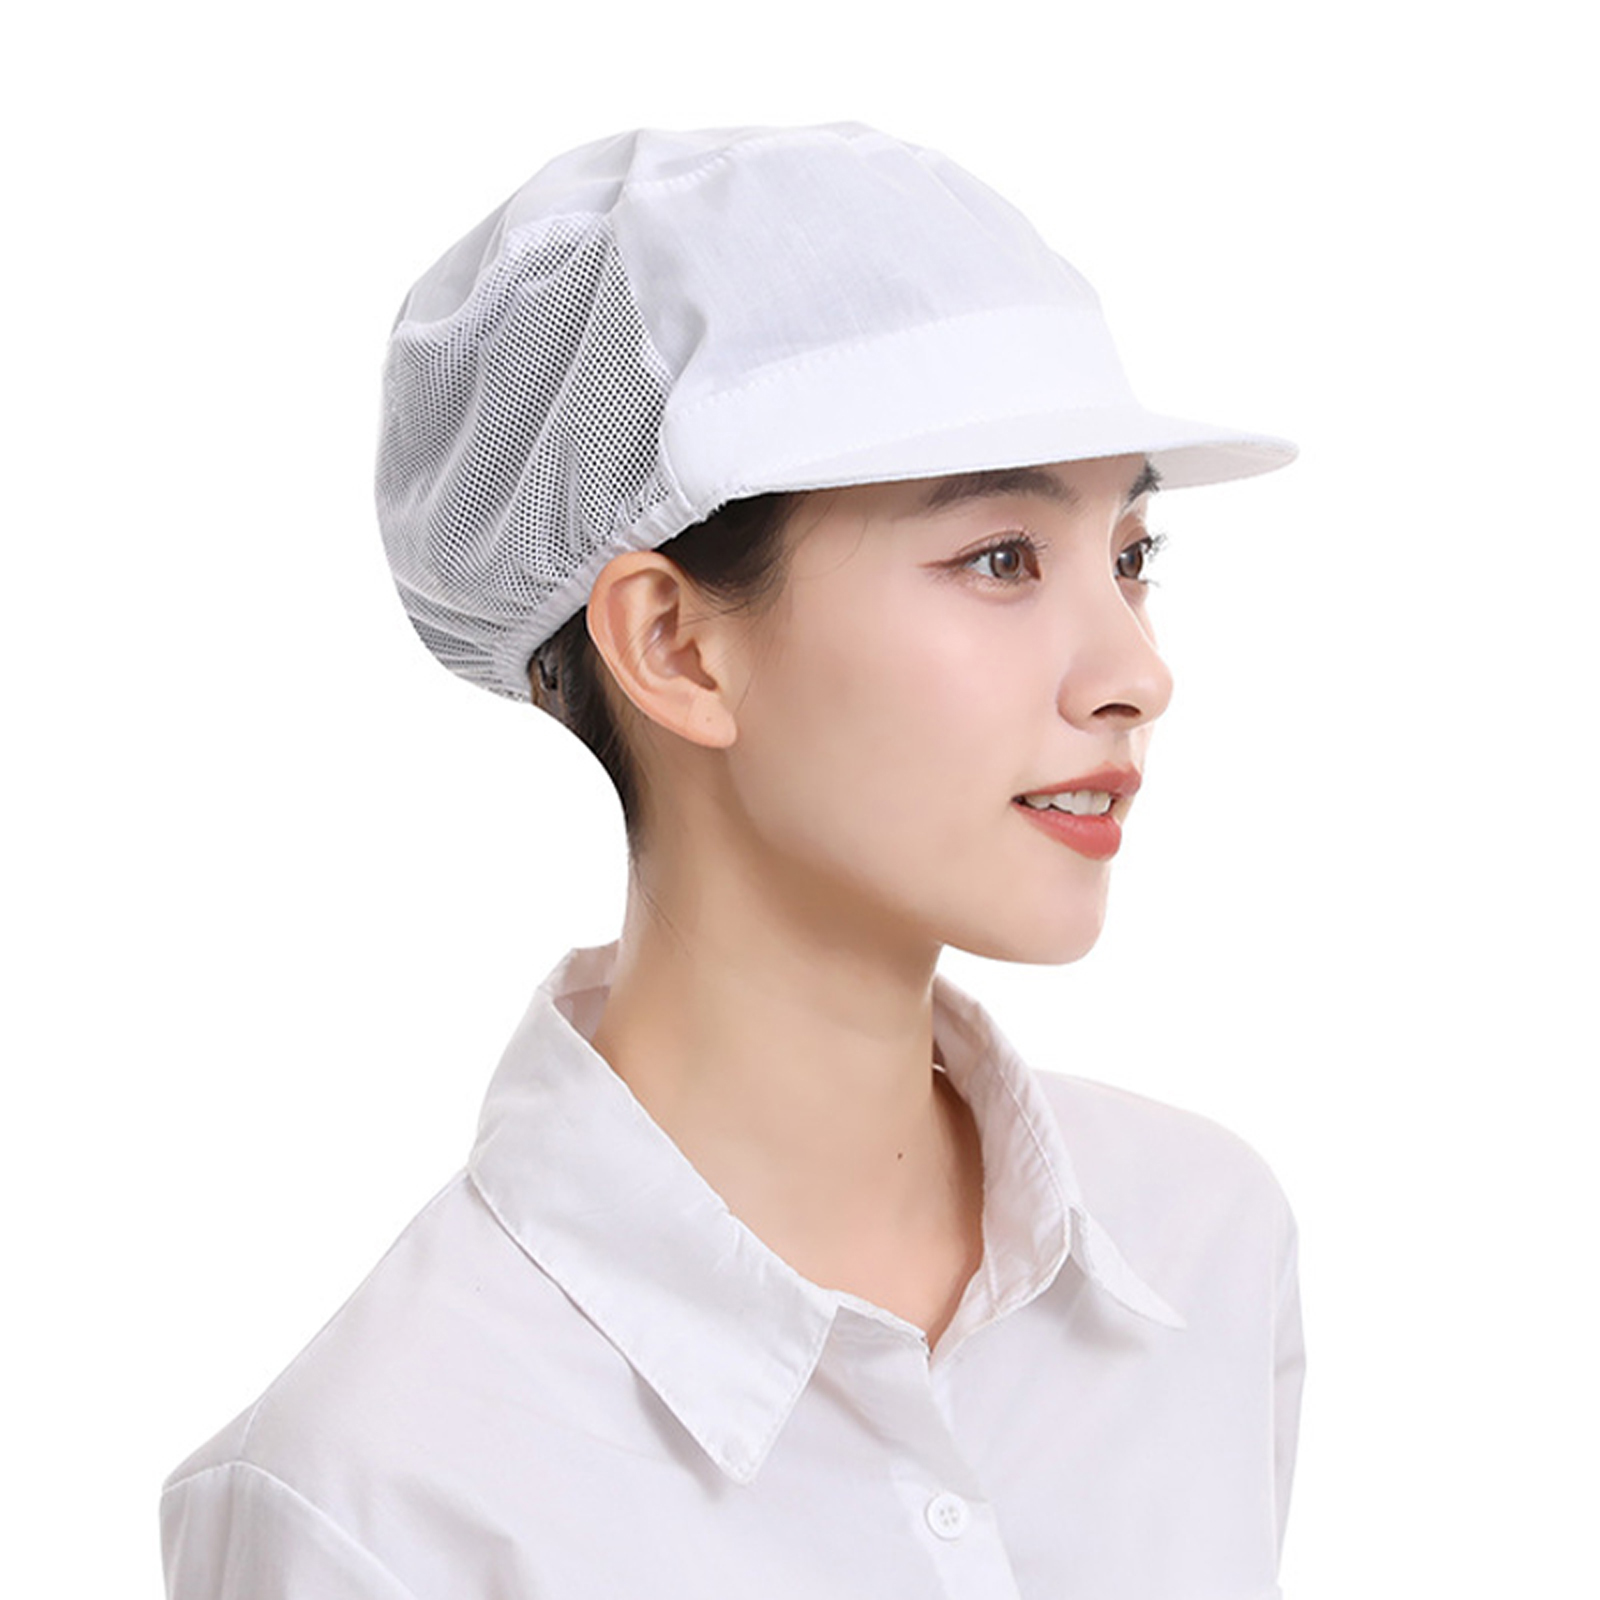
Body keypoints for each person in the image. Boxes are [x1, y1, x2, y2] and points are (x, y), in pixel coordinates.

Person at [161, 123, 1304, 1599]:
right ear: (676, 645)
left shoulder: (1204, 1249)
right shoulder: (380, 1490)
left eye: (1131, 555)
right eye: (1001, 558)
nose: (1138, 673)